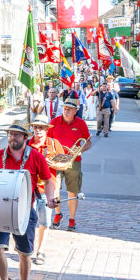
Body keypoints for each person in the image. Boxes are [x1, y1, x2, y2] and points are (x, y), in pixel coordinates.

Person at [0, 119, 57, 280]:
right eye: (10, 134)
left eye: (17, 134)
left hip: (25, 212)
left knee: (24, 254)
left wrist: (50, 197)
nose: (12, 138)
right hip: (1, 211)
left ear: (26, 137)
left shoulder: (35, 157)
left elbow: (48, 180)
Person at [49, 98, 93, 232]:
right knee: (55, 189)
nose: (66, 111)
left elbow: (88, 142)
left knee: (72, 191)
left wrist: (79, 150)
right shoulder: (54, 122)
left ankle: (72, 219)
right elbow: (48, 141)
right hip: (56, 161)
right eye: (65, 108)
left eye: (69, 109)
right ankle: (57, 214)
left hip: (74, 161)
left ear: (75, 111)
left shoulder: (81, 124)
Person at [27, 115, 65, 266]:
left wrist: (52, 164)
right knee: (28, 221)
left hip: (47, 190)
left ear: (47, 129)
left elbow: (65, 165)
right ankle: (28, 247)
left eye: (42, 128)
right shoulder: (27, 144)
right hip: (29, 189)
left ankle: (40, 250)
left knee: (45, 222)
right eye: (36, 127)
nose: (39, 131)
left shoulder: (54, 144)